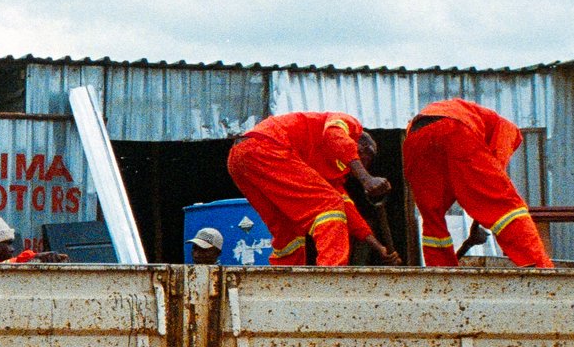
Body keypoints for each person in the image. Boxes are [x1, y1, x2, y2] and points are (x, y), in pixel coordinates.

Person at [226, 111, 400, 266]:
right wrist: (366, 179)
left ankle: (284, 285)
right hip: (267, 146)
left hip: (240, 158)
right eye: (366, 161)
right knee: (330, 205)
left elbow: (348, 208)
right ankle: (330, 276)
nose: (361, 168)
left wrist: (378, 247)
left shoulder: (327, 169)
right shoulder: (350, 125)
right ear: (363, 149)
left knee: (288, 229)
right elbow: (334, 135)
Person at [403, 98, 549, 270]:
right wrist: (482, 215)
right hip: (454, 128)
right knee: (507, 206)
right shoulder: (509, 129)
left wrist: (476, 222)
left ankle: (441, 276)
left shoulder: (475, 119)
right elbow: (493, 178)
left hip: (415, 137)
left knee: (432, 218)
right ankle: (543, 271)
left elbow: (469, 183)